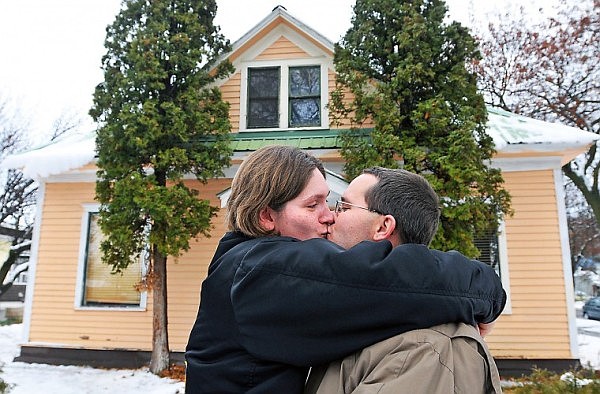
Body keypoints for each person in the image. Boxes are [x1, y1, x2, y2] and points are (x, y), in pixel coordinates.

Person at [185, 145, 505, 393]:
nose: (329, 216)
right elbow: (383, 279)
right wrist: (486, 292)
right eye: (313, 205)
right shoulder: (260, 272)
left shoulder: (250, 266)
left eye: (334, 203)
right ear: (267, 217)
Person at [304, 167, 503, 393]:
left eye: (345, 207)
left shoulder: (425, 348)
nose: (330, 216)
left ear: (383, 227)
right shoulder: (361, 320)